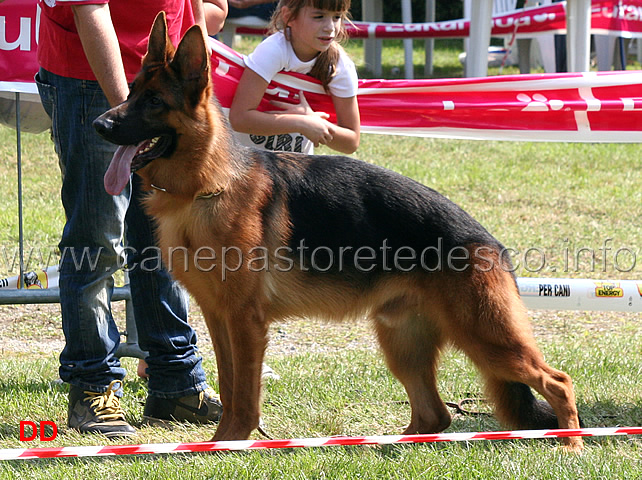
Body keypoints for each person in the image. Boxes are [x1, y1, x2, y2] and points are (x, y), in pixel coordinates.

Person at [35, 0, 227, 438]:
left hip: (160, 85)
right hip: (91, 76)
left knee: (163, 236)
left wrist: (191, 74)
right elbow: (89, 9)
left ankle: (175, 382)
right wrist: (133, 112)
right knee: (97, 239)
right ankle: (93, 385)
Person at [229, 0, 360, 155]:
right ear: (289, 16)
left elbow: (351, 142)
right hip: (247, 162)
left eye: (337, 17)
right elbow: (239, 118)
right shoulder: (273, 50)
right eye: (319, 16)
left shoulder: (339, 66)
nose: (330, 27)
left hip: (295, 170)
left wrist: (315, 122)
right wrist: (301, 123)